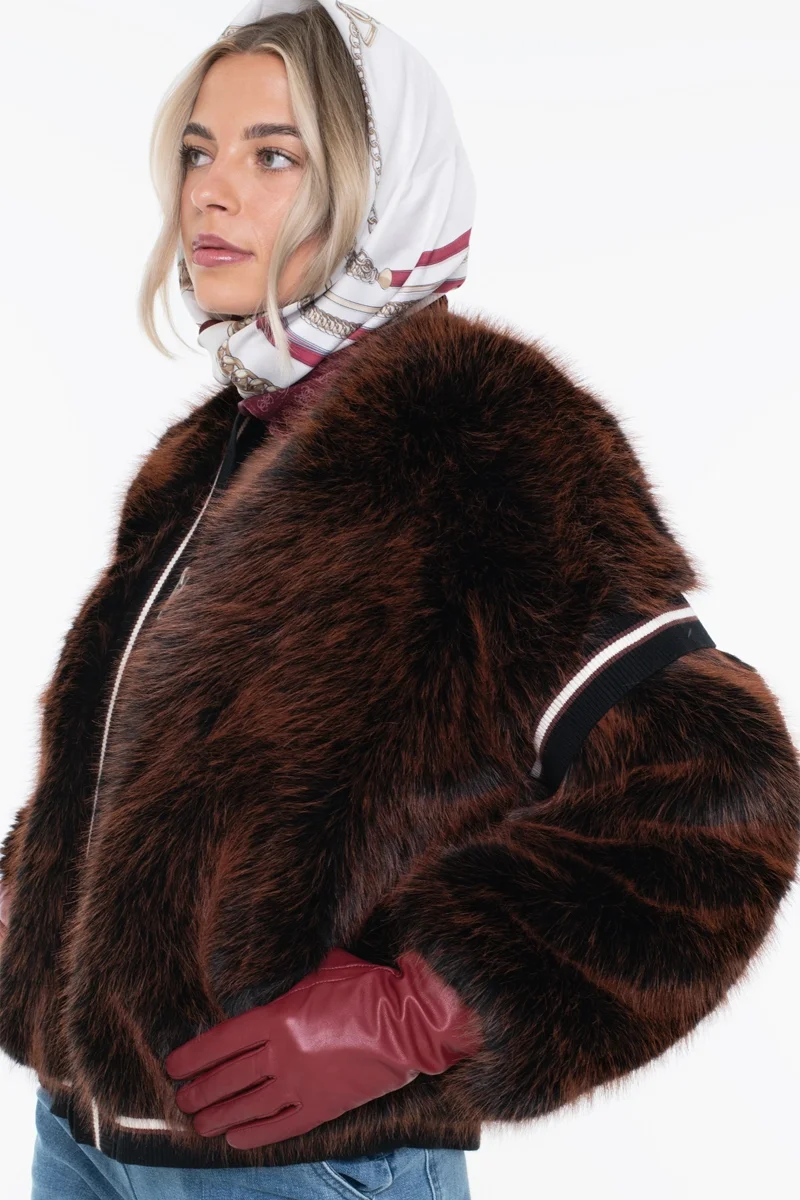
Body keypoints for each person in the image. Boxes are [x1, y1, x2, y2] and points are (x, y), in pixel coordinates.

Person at [1, 1, 799, 1198]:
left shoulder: (482, 446)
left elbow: (721, 797)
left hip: (299, 1168)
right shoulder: (212, 453)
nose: (212, 190)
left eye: (274, 155)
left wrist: (417, 1015)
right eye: (197, 150)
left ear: (381, 189)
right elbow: (158, 769)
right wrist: (34, 890)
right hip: (87, 1138)